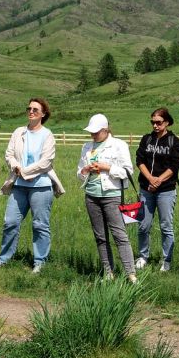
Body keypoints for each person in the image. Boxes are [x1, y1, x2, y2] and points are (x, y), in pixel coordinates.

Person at [0, 97, 65, 274]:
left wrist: (25, 171)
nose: (31, 112)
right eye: (29, 109)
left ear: (43, 114)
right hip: (18, 185)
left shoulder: (47, 135)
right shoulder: (18, 132)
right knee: (10, 222)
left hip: (41, 186)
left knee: (40, 224)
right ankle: (4, 259)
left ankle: (40, 262)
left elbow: (46, 161)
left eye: (35, 109)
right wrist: (16, 167)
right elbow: (9, 154)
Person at [76, 114, 137, 282]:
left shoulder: (118, 145)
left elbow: (127, 171)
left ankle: (130, 273)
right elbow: (79, 173)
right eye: (91, 132)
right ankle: (108, 273)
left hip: (112, 195)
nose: (93, 135)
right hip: (92, 196)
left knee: (119, 235)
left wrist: (107, 167)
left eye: (96, 132)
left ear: (106, 129)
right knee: (100, 236)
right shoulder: (87, 147)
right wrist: (85, 171)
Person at [135, 107, 179, 272]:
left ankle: (167, 260)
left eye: (159, 122)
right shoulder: (146, 139)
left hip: (166, 191)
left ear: (167, 122)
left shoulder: (174, 142)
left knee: (166, 226)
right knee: (143, 225)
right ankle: (142, 256)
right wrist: (150, 179)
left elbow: (174, 166)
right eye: (153, 122)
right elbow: (139, 160)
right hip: (146, 190)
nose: (155, 125)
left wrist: (159, 180)